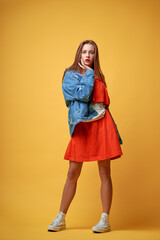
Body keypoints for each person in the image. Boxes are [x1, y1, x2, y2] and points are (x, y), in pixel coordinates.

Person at [48, 40, 123, 233]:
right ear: (79, 55)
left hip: (103, 125)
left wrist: (93, 75)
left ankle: (105, 219)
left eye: (92, 52)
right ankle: (61, 217)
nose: (88, 56)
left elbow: (104, 101)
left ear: (95, 56)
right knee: (73, 171)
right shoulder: (70, 74)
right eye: (84, 52)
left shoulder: (99, 76)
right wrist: (88, 74)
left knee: (105, 172)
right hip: (83, 127)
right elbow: (82, 95)